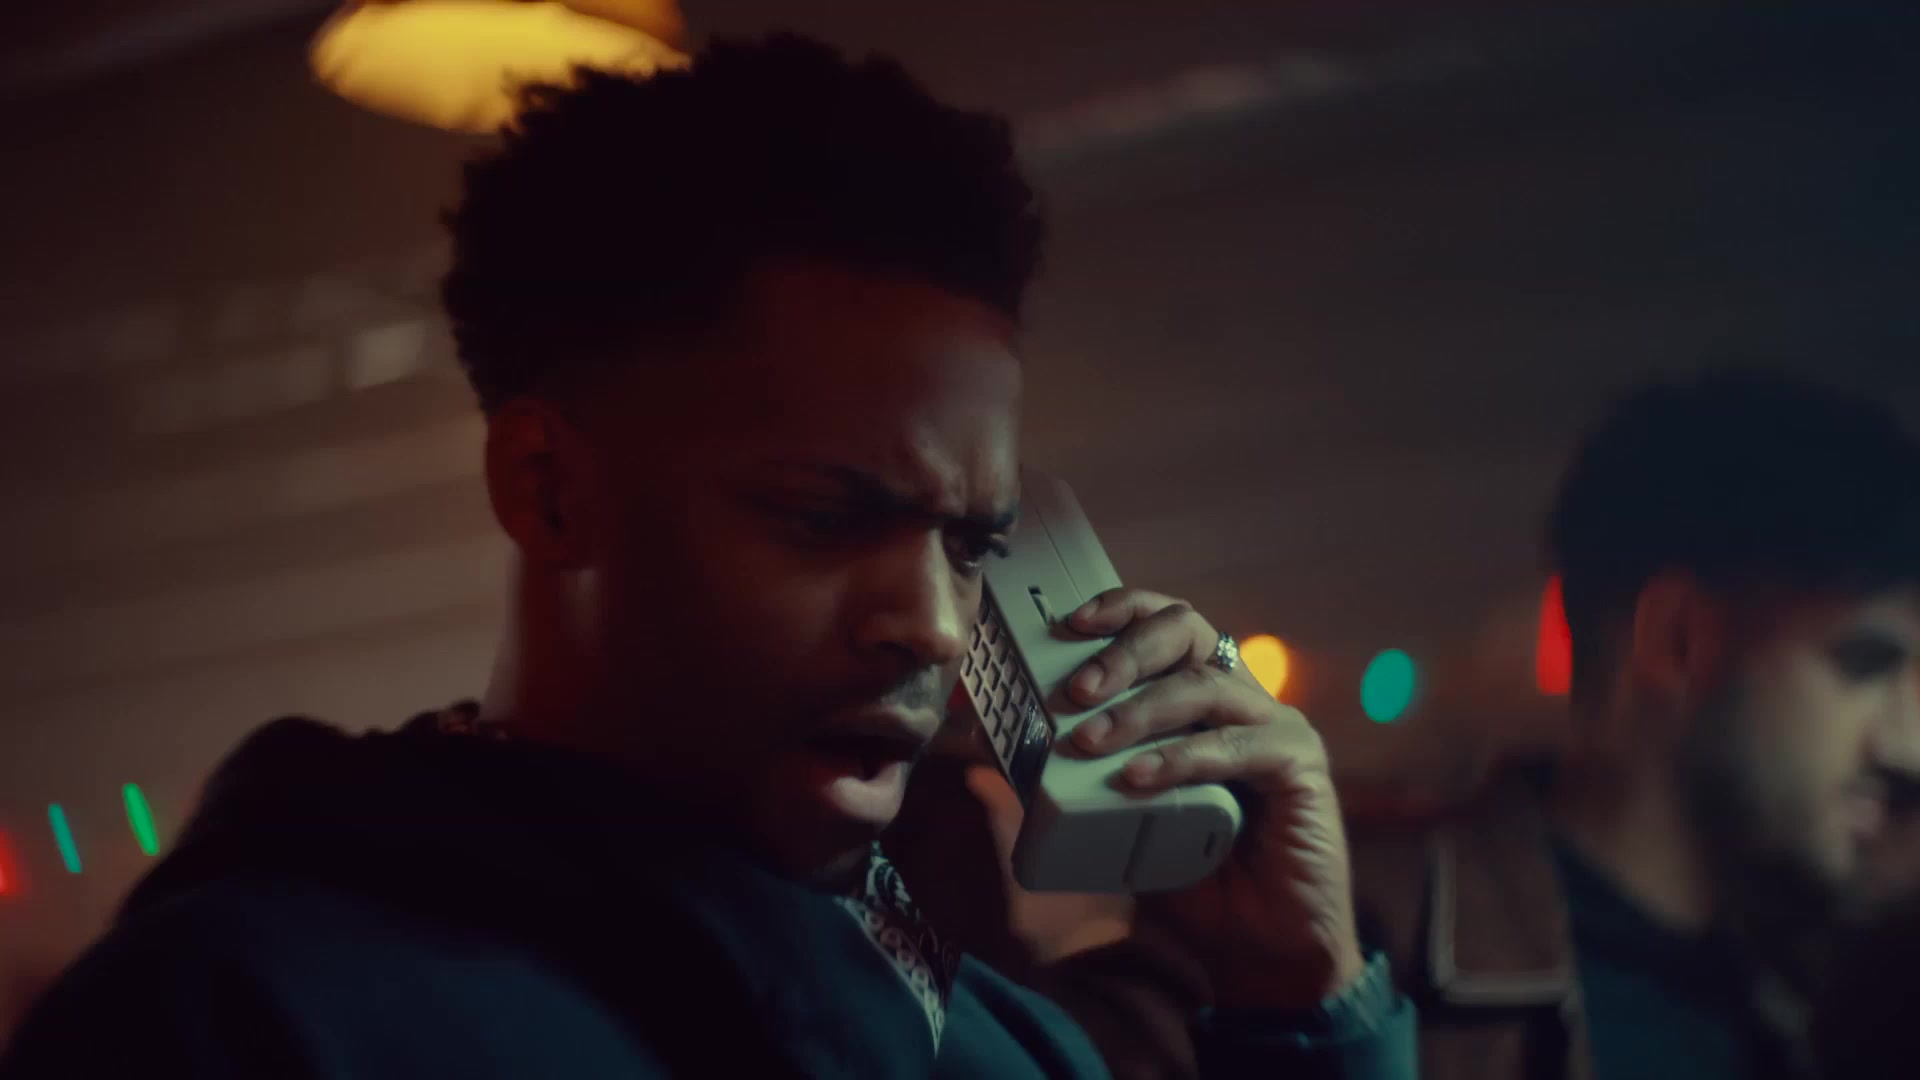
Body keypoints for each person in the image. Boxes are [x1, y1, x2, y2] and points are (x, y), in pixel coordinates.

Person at [0, 35, 1415, 1079]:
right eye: (824, 515)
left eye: (973, 542)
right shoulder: (236, 1023)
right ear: (550, 491)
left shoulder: (1002, 1041)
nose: (933, 624)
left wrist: (1302, 1002)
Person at [1334, 369, 1920, 1080]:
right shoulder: (1346, 949)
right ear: (1679, 640)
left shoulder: (1813, 996)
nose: (1908, 747)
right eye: (1864, 665)